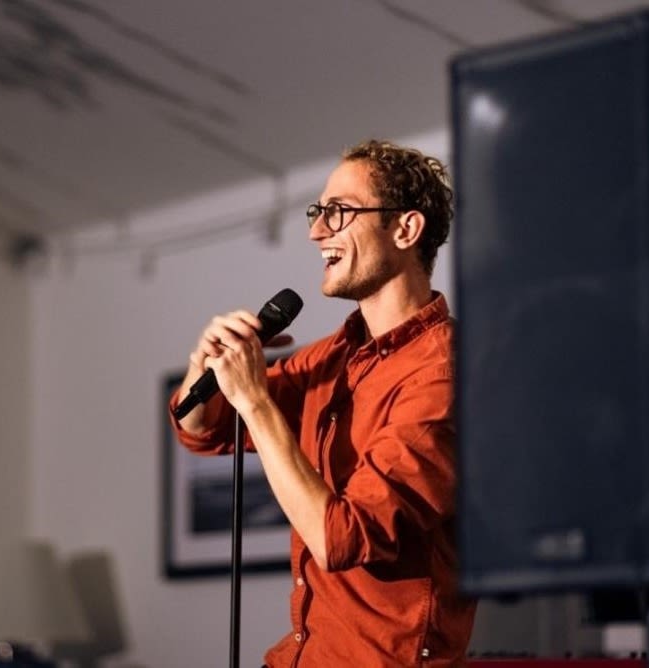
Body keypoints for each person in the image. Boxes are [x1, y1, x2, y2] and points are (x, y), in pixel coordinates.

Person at [169, 140, 476, 666]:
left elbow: (342, 539)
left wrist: (257, 405)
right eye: (318, 212)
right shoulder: (334, 357)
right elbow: (201, 428)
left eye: (340, 212)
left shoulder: (443, 375)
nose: (316, 232)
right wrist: (206, 362)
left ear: (406, 229)